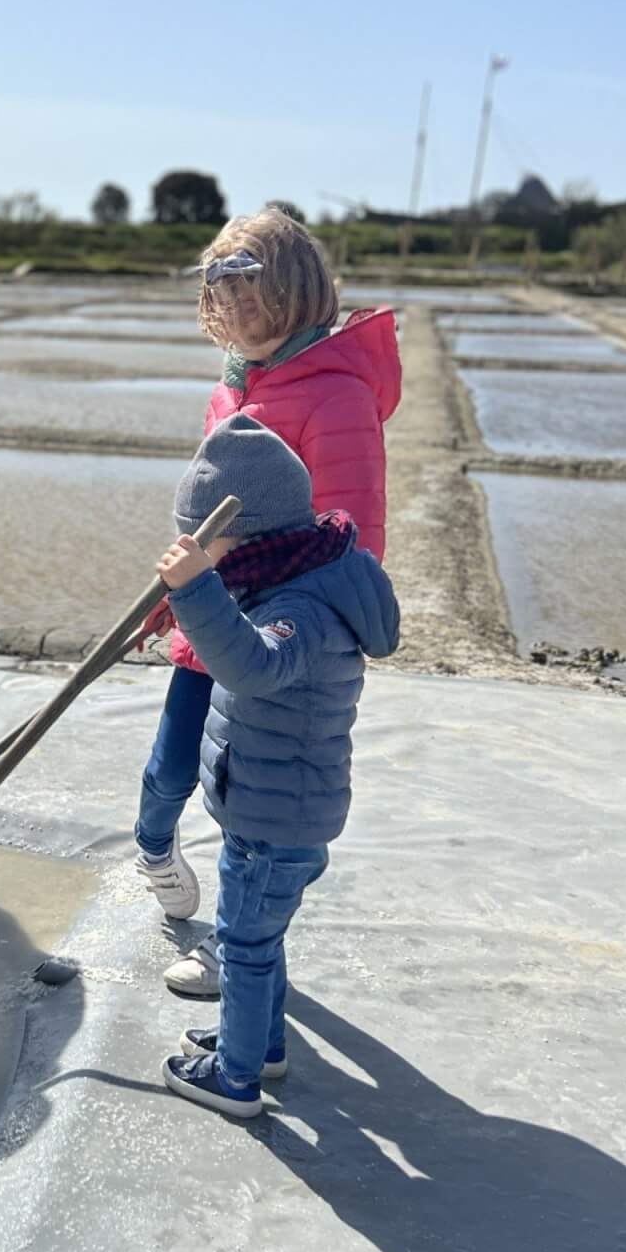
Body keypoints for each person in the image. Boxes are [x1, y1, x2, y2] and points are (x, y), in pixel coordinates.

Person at [137, 208, 400, 999]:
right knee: (167, 771)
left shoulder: (336, 396)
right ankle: (154, 850)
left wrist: (307, 632)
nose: (236, 317)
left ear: (297, 295)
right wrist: (173, 596)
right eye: (223, 303)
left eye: (252, 299)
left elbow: (354, 531)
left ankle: (232, 944)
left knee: (249, 812)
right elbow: (207, 507)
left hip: (275, 635)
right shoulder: (233, 386)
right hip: (211, 610)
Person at [153, 414, 400, 1116]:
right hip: (268, 804)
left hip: (277, 816)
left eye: (209, 542)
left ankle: (234, 1079)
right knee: (260, 936)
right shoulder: (291, 576)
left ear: (248, 531)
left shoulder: (301, 605)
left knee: (244, 943)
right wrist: (197, 596)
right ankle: (258, 1042)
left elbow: (254, 668)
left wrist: (197, 592)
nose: (205, 556)